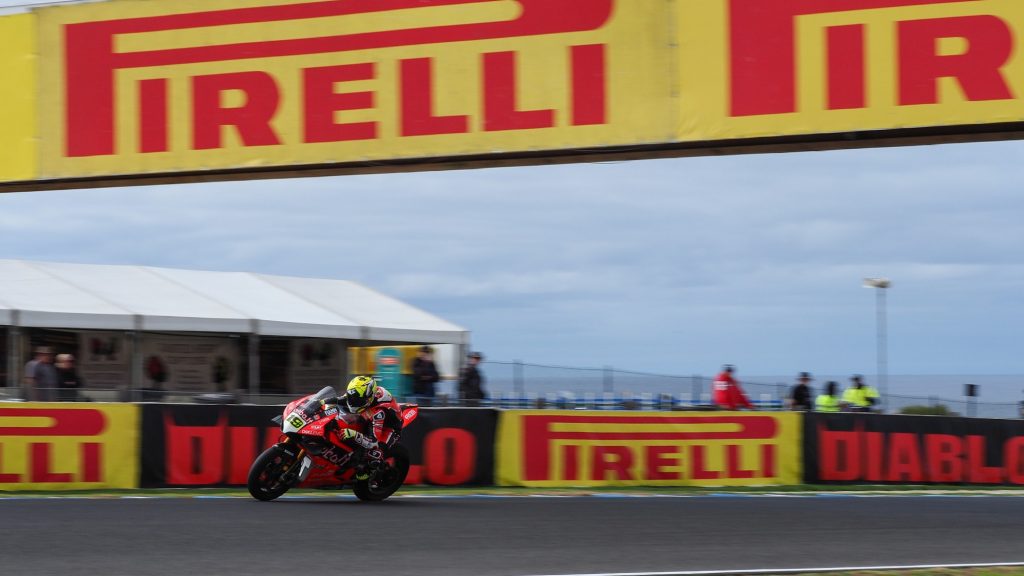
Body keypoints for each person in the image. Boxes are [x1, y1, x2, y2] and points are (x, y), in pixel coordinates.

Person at [327, 375, 404, 481]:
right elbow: (341, 399)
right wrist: (321, 402)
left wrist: (353, 434)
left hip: (389, 427)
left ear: (369, 398)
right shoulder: (359, 393)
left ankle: (372, 476)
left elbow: (374, 442)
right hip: (369, 416)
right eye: (352, 398)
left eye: (357, 401)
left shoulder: (378, 412)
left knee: (375, 453)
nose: (353, 403)